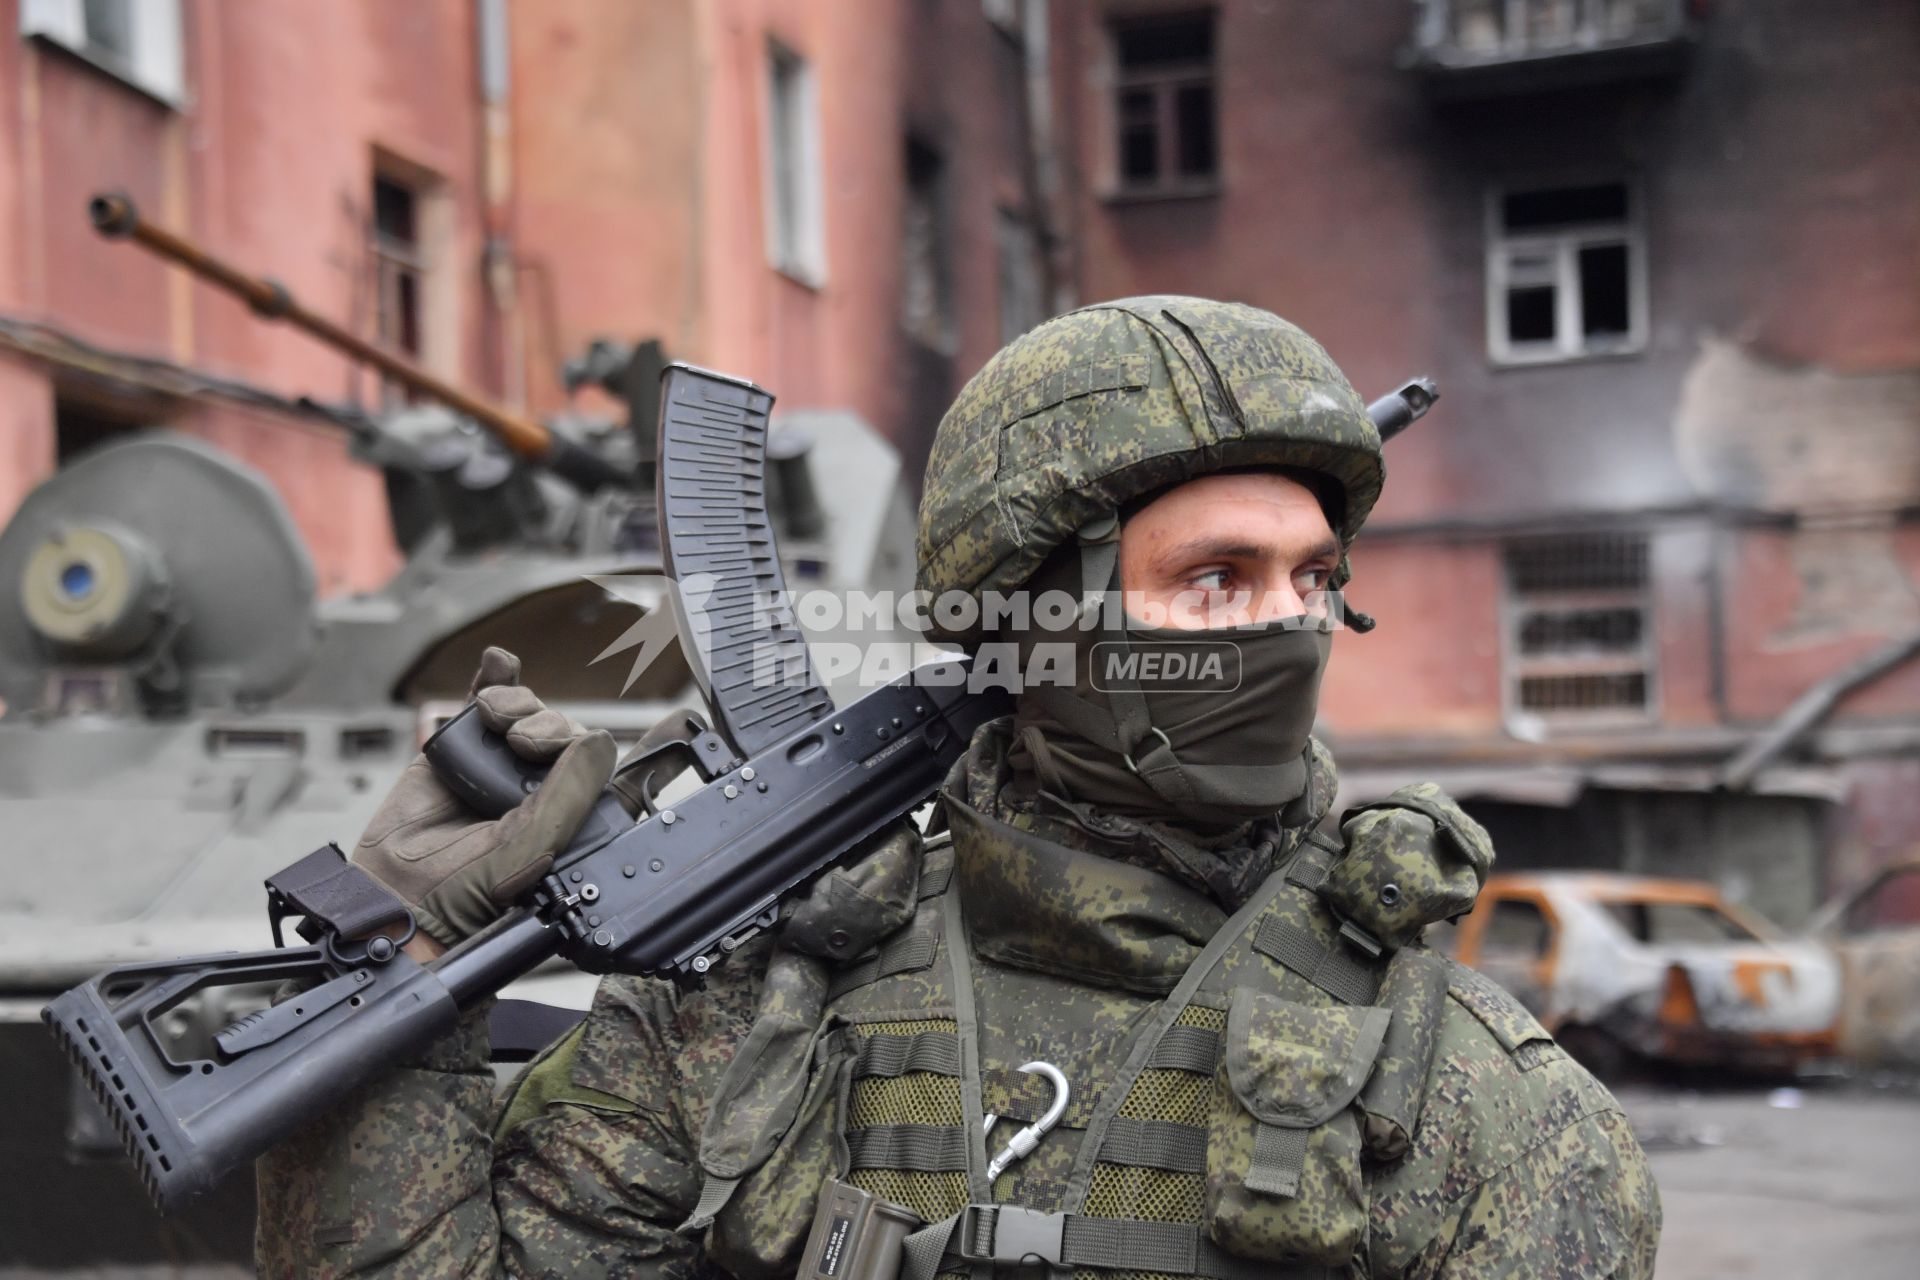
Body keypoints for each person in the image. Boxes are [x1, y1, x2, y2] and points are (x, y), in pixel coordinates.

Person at [258, 297, 1660, 1278]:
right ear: (1031, 622)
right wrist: (393, 975)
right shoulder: (746, 1012)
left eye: (1316, 582)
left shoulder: (1471, 1098)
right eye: (1216, 580)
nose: (1286, 630)